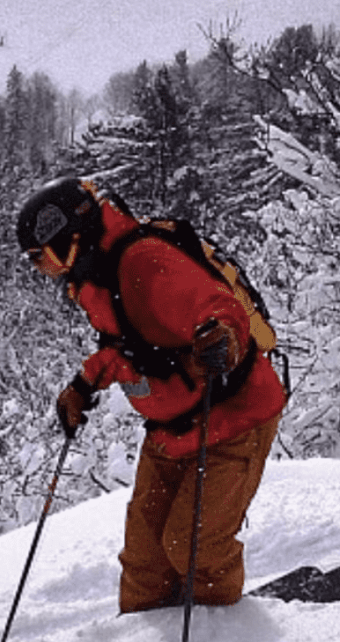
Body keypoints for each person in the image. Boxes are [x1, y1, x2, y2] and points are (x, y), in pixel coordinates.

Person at [16, 176, 286, 613]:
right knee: (145, 559)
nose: (40, 269)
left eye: (39, 257)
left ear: (69, 238)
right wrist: (84, 384)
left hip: (231, 416)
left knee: (195, 548)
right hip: (170, 427)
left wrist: (221, 337)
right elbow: (125, 346)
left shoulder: (143, 261)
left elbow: (218, 308)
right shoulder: (93, 277)